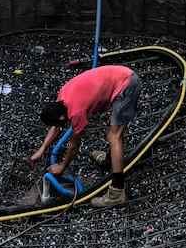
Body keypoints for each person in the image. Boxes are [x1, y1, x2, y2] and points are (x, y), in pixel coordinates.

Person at [31, 64, 140, 208]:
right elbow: (56, 127)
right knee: (114, 133)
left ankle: (117, 193)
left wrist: (62, 166)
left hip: (126, 84)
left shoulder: (76, 112)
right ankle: (110, 161)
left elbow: (73, 145)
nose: (61, 126)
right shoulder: (62, 97)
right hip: (119, 75)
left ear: (62, 118)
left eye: (61, 123)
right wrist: (42, 149)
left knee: (114, 136)